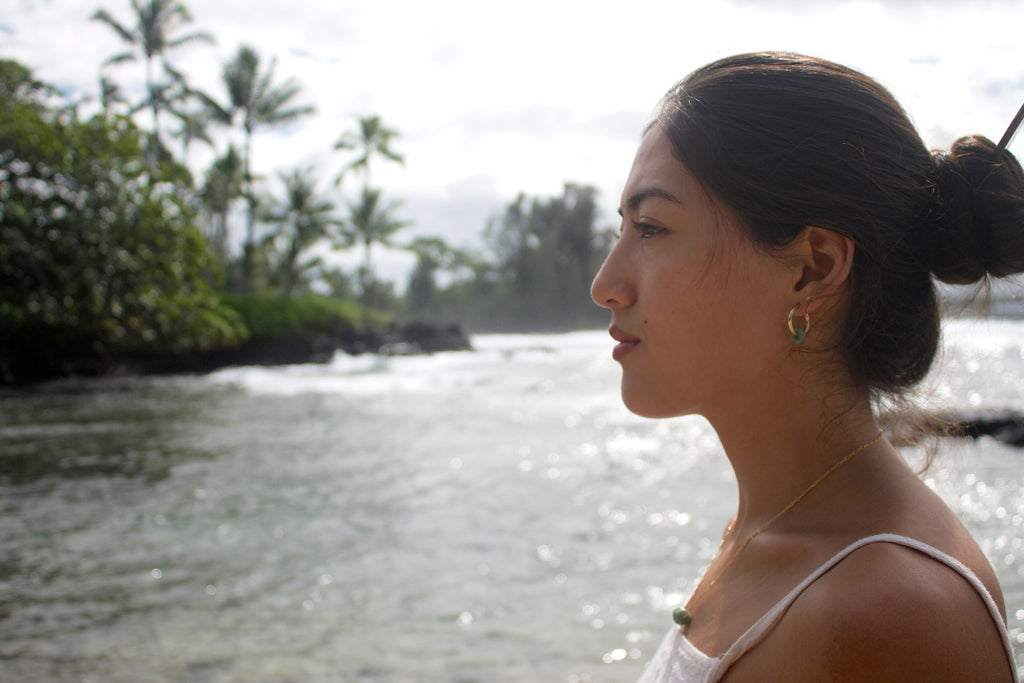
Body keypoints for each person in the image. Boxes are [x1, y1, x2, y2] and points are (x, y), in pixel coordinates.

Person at [590, 52, 1023, 682]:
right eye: (622, 229)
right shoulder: (771, 530)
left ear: (812, 268)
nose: (606, 284)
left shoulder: (891, 615)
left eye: (651, 228)